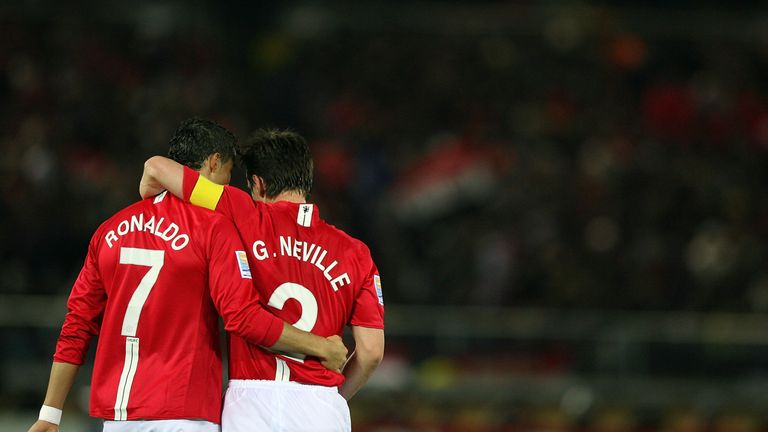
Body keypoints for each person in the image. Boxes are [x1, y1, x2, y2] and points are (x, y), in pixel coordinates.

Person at [28, 119, 347, 432]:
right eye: (228, 173)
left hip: (118, 417)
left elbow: (77, 324)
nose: (227, 185)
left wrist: (50, 412)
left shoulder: (109, 230)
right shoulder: (215, 228)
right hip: (184, 410)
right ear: (213, 163)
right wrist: (320, 347)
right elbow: (241, 316)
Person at [140, 129, 385, 432]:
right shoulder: (356, 253)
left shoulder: (240, 211)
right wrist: (333, 396)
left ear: (257, 183)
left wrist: (144, 195)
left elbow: (157, 168)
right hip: (320, 405)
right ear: (305, 179)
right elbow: (372, 352)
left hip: (250, 403)